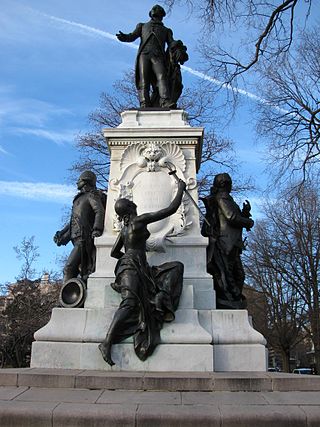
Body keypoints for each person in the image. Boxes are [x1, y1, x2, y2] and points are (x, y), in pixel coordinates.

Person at [99, 179, 186, 366]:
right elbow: (170, 210)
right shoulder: (139, 221)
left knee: (176, 267)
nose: (136, 203)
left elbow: (114, 253)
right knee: (129, 304)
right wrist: (181, 189)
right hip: (132, 267)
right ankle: (107, 342)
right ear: (129, 209)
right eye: (132, 203)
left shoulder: (124, 230)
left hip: (134, 266)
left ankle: (158, 300)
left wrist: (133, 252)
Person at [116, 5, 188, 108]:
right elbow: (132, 36)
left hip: (158, 56)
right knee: (144, 80)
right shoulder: (142, 26)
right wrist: (124, 37)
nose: (155, 11)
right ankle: (144, 103)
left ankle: (165, 102)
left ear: (162, 14)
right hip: (144, 55)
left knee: (162, 76)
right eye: (154, 10)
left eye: (158, 10)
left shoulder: (166, 30)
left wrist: (178, 47)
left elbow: (171, 43)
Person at [201, 173, 254, 309]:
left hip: (232, 242)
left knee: (237, 274)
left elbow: (232, 217)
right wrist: (248, 222)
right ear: (225, 184)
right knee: (229, 274)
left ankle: (233, 299)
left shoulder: (226, 199)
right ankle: (229, 299)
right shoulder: (222, 198)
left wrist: (245, 213)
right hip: (225, 243)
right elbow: (231, 216)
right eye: (230, 183)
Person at [54, 171, 105, 283]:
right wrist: (63, 237)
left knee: (69, 268)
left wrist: (97, 229)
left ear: (86, 180)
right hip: (77, 239)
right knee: (78, 271)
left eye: (79, 179)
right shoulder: (79, 199)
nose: (77, 182)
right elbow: (74, 221)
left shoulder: (91, 195)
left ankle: (67, 299)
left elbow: (99, 211)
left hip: (84, 238)